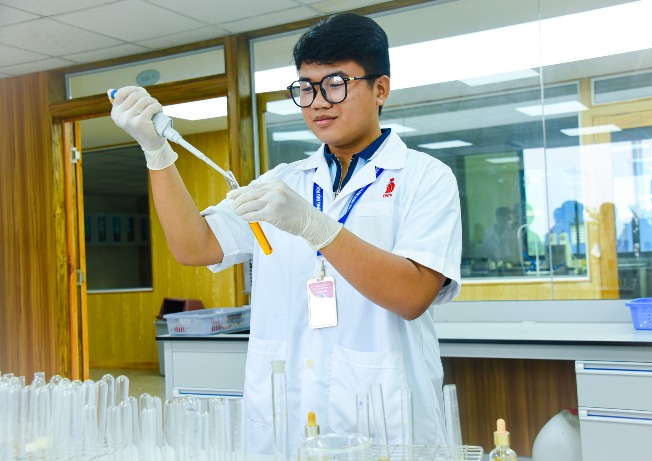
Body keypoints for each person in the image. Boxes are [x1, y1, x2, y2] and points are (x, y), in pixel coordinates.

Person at [109, 13, 462, 454]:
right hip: (287, 414)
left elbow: (412, 296)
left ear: (380, 89)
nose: (318, 102)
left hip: (383, 416)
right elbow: (194, 245)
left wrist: (315, 226)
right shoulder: (284, 182)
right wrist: (156, 150)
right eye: (306, 88)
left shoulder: (425, 177)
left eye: (335, 84)